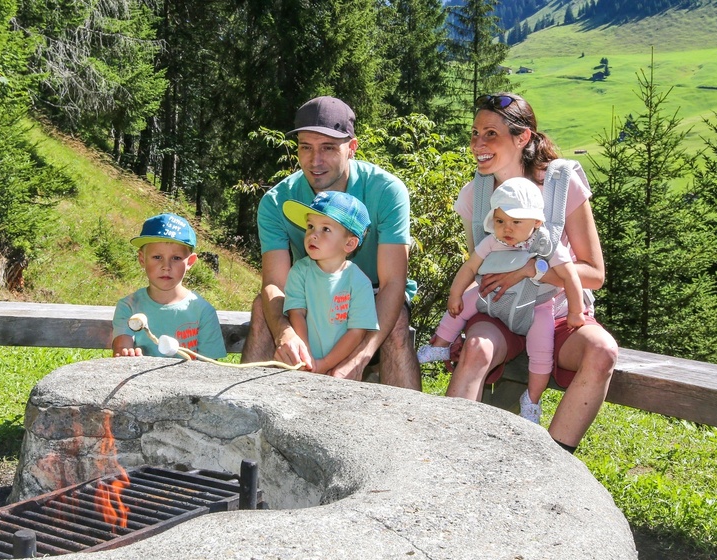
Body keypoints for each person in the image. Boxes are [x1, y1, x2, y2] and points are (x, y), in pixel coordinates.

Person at [443, 92, 618, 453]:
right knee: (476, 348)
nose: (477, 144)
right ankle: (449, 454)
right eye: (475, 134)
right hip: (501, 311)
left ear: (522, 137)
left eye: (490, 134)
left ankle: (555, 460)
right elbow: (479, 268)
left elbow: (594, 273)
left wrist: (529, 272)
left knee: (602, 351)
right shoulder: (475, 195)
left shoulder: (561, 185)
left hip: (556, 312)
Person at [241, 96, 421, 387]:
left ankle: (407, 415)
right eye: (305, 147)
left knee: (397, 320)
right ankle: (246, 404)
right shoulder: (276, 201)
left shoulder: (387, 191)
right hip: (313, 291)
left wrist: (360, 358)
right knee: (263, 308)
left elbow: (393, 283)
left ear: (352, 147)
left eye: (328, 147)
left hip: (374, 292)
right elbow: (275, 283)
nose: (315, 161)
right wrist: (285, 333)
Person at [416, 177, 586, 424]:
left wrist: (576, 311)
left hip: (536, 306)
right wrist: (455, 294)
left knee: (542, 350)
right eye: (500, 221)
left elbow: (570, 276)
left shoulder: (546, 243)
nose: (507, 229)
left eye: (516, 222)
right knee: (462, 305)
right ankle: (441, 344)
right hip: (493, 298)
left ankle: (532, 400)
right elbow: (470, 267)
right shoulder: (493, 241)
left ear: (536, 222)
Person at [282, 190, 380, 373]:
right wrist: (307, 356)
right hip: (301, 362)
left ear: (349, 244)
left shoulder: (359, 283)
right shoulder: (299, 271)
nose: (313, 235)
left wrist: (324, 364)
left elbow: (356, 332)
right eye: (310, 226)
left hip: (338, 368)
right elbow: (297, 313)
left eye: (325, 229)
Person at [112, 213, 227, 359]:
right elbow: (121, 347)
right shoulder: (128, 306)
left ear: (190, 262)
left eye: (176, 258)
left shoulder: (203, 311)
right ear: (142, 259)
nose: (166, 266)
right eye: (157, 257)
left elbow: (210, 366)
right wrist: (126, 353)